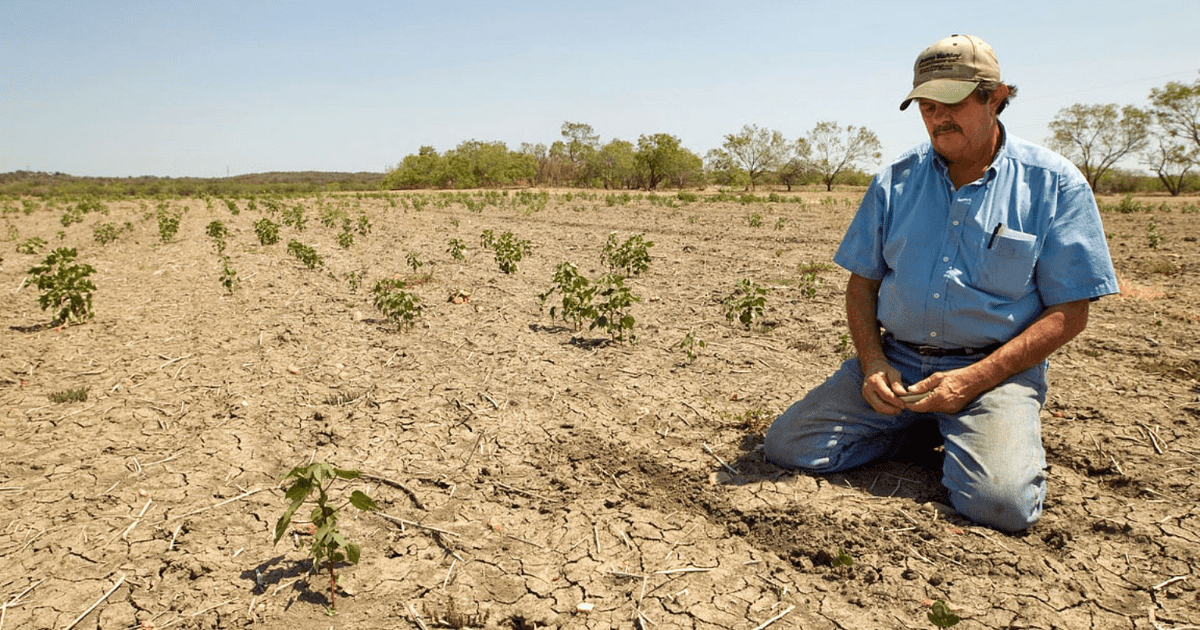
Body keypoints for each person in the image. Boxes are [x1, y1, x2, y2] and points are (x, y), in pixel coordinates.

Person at [763, 34, 1119, 533]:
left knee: (1001, 505)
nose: (938, 118)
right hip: (900, 362)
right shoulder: (895, 180)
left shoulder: (1054, 183)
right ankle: (916, 427)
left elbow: (1070, 313)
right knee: (787, 447)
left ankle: (969, 432)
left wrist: (970, 382)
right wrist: (873, 364)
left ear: (994, 97)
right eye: (927, 106)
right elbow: (862, 283)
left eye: (951, 103)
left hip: (992, 374)